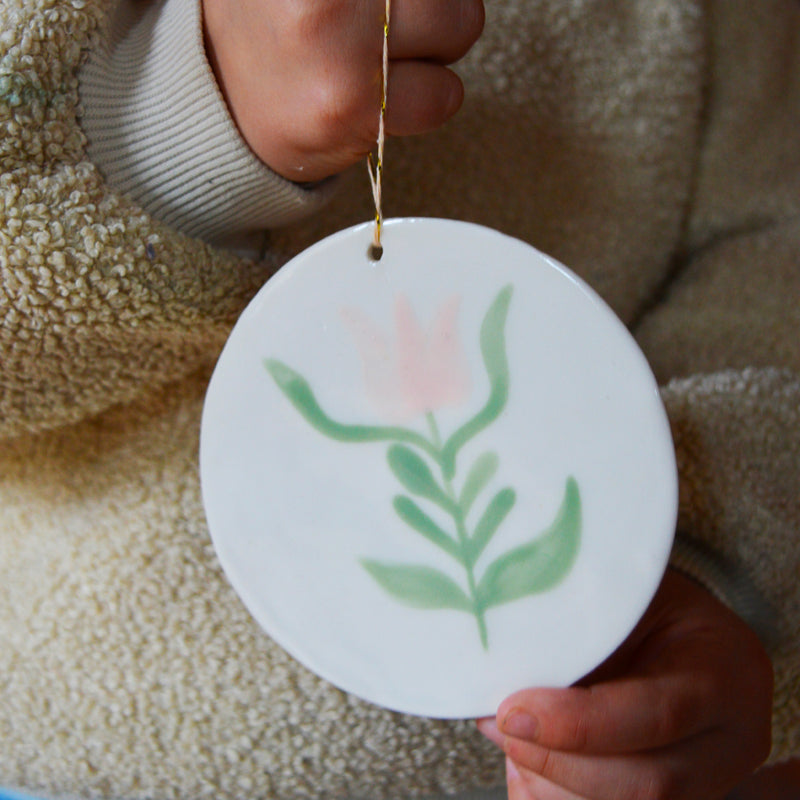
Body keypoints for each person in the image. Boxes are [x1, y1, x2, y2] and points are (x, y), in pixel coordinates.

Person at [0, 1, 797, 799]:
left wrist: (691, 561)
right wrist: (177, 120)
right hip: (63, 759)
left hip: (552, 756)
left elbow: (770, 271)